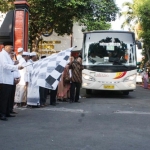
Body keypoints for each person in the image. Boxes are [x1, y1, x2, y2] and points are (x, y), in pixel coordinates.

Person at [0, 41, 23, 121]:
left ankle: (6, 112)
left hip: (9, 80)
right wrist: (16, 67)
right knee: (4, 98)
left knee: (8, 98)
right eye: (11, 47)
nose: (12, 49)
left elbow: (9, 63)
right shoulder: (2, 55)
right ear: (5, 47)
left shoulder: (7, 55)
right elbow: (5, 65)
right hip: (4, 80)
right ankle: (2, 114)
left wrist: (14, 62)